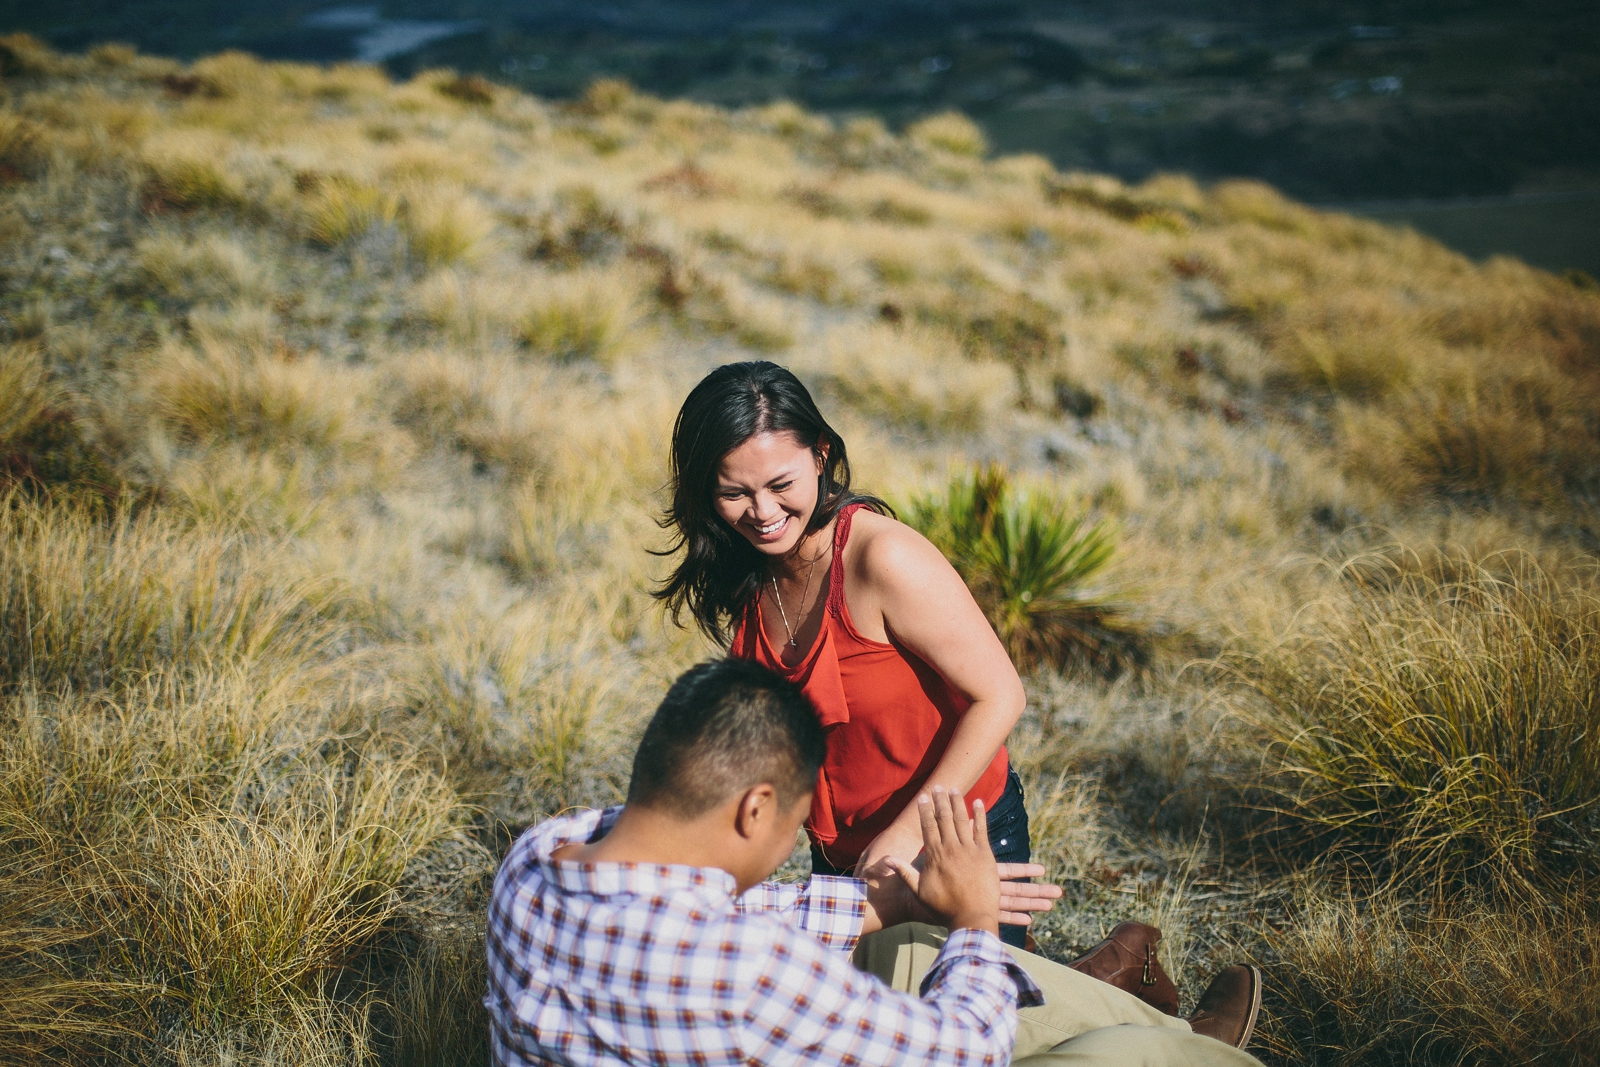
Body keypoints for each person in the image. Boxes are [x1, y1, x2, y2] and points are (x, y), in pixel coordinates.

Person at [485, 658, 1266, 1067]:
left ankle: (1176, 1028)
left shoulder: (541, 854)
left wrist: (901, 906)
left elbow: (706, 910)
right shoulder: (739, 975)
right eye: (792, 825)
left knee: (904, 947)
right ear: (755, 807)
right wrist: (974, 920)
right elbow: (966, 1047)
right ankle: (1176, 1046)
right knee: (1118, 1056)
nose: (790, 847)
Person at [656, 361, 1036, 944]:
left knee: (979, 1025)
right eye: (734, 492)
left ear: (822, 454)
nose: (761, 512)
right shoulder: (749, 566)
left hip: (951, 840)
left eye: (781, 485)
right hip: (842, 861)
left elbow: (1001, 694)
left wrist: (909, 834)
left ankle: (1123, 975)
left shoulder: (881, 559)